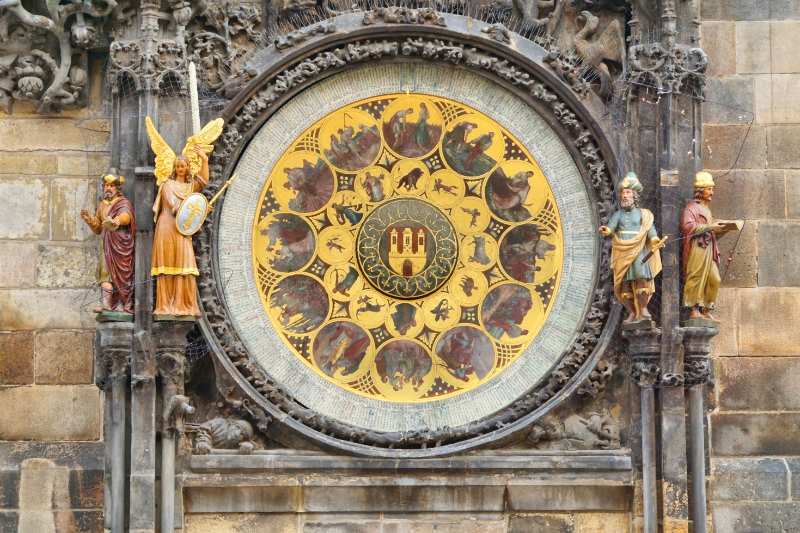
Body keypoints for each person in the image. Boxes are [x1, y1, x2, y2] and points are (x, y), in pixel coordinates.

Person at [598, 173, 666, 324]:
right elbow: (611, 228)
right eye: (623, 193)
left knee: (642, 279)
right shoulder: (618, 214)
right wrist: (606, 230)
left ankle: (643, 308)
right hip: (622, 250)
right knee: (625, 282)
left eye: (628, 193)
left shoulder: (644, 214)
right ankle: (632, 312)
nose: (624, 196)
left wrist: (655, 240)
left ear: (635, 196)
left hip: (639, 250)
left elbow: (650, 231)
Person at [151, 147, 208, 317]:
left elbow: (204, 179)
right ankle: (166, 306)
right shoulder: (167, 185)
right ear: (174, 168)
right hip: (168, 227)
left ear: (188, 167)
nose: (180, 169)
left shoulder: (191, 186)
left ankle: (186, 305)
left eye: (183, 166)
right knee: (168, 264)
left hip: (183, 229)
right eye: (177, 166)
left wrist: (204, 159)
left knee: (186, 264)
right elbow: (174, 206)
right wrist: (198, 208)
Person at [80, 173, 135, 314]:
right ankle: (105, 304)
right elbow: (98, 228)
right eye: (106, 186)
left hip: (121, 243)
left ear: (117, 188)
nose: (108, 188)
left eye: (111, 186)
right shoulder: (101, 205)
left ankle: (122, 304)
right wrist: (89, 220)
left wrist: (119, 220)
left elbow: (127, 215)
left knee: (123, 273)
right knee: (105, 273)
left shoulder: (123, 202)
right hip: (106, 244)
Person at [681, 171, 724, 320]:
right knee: (696, 276)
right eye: (709, 189)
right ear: (701, 190)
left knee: (714, 279)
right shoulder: (691, 208)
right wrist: (710, 227)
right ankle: (694, 309)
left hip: (709, 248)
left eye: (712, 189)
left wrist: (720, 229)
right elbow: (688, 227)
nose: (712, 192)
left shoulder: (707, 210)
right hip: (697, 248)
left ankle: (706, 309)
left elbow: (709, 228)